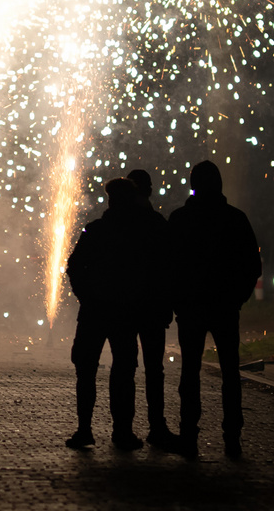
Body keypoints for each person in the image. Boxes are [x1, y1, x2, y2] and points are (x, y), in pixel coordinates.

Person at [168, 160, 262, 459]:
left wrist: (177, 300)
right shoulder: (235, 219)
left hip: (192, 306)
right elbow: (251, 265)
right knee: (230, 374)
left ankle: (188, 434)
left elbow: (167, 266)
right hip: (224, 307)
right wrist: (237, 298)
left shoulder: (180, 219)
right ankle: (232, 437)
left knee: (189, 373)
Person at [65, 177, 160, 451]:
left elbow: (74, 267)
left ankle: (85, 429)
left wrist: (86, 294)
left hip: (95, 310)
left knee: (87, 371)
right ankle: (122, 431)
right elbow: (149, 272)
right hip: (124, 312)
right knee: (123, 372)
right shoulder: (138, 234)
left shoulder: (95, 230)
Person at [126, 168, 175, 448]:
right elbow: (169, 268)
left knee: (126, 368)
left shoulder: (120, 223)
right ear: (149, 190)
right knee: (153, 370)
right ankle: (157, 427)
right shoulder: (157, 223)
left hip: (127, 307)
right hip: (153, 308)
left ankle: (125, 428)